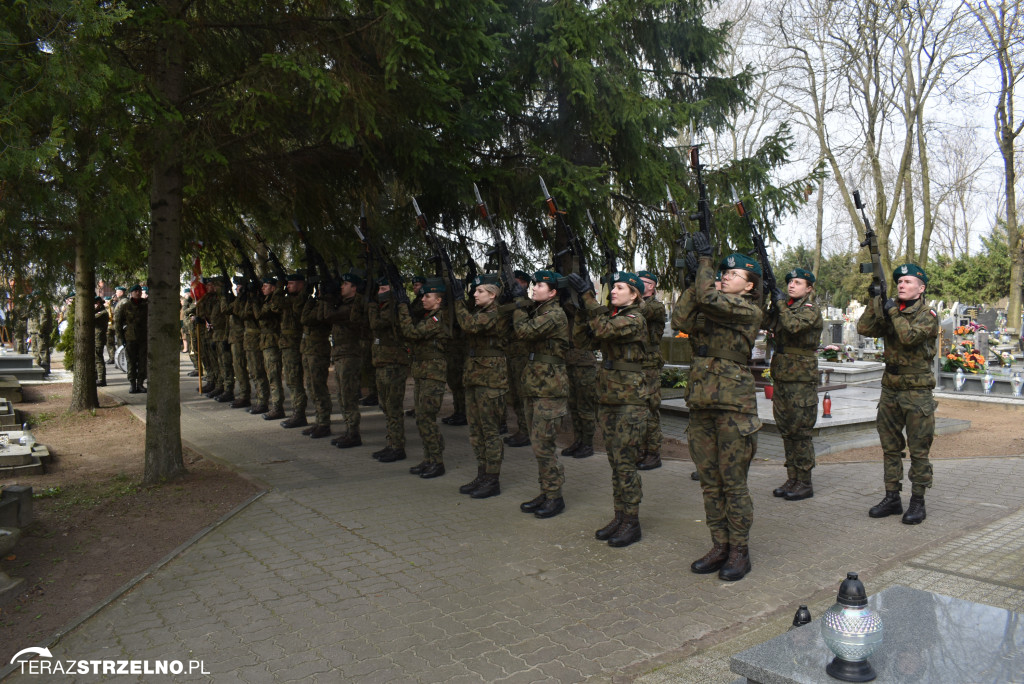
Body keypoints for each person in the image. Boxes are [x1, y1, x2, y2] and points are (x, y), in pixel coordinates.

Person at [673, 246, 763, 581]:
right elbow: (679, 320)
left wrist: (706, 267)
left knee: (733, 484)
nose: (726, 276)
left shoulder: (747, 309)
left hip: (733, 407)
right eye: (722, 272)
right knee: (710, 483)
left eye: (734, 274)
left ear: (749, 285)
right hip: (701, 403)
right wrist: (693, 280)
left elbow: (710, 300)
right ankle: (719, 544)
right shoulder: (711, 302)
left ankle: (740, 550)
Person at [567, 271, 648, 547]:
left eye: (621, 287)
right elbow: (584, 341)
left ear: (634, 295)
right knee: (615, 462)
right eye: (612, 287)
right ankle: (620, 515)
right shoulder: (613, 317)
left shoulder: (635, 319)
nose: (613, 290)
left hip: (628, 400)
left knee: (625, 462)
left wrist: (589, 297)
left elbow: (602, 330)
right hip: (610, 398)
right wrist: (581, 311)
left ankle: (632, 522)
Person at [856, 263, 938, 525]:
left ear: (921, 288)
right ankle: (892, 497)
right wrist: (874, 300)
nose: (901, 285)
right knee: (890, 448)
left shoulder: (928, 315)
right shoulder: (892, 312)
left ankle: (917, 500)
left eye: (908, 282)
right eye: (899, 282)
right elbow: (864, 328)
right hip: (890, 388)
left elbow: (908, 337)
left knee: (918, 450)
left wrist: (891, 310)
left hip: (917, 392)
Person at [512, 270, 570, 518]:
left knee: (544, 444)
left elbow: (524, 332)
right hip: (536, 385)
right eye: (533, 285)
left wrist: (517, 306)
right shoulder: (540, 310)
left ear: (553, 292)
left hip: (549, 387)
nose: (533, 288)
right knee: (538, 444)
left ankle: (555, 497)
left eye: (539, 285)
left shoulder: (554, 314)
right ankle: (546, 491)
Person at [764, 268, 824, 501]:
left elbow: (793, 327)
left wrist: (780, 305)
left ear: (808, 288)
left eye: (798, 283)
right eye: (789, 281)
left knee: (801, 431)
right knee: (786, 429)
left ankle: (805, 481)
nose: (791, 285)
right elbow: (763, 321)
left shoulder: (810, 310)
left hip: (801, 379)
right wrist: (767, 297)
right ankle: (792, 477)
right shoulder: (784, 307)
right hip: (782, 376)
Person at [455, 273, 509, 498]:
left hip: (491, 379)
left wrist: (458, 300)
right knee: (476, 430)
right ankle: (482, 473)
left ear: (493, 294)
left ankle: (492, 479)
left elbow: (469, 325)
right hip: (475, 377)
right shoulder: (480, 311)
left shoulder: (497, 313)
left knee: (490, 431)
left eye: (479, 291)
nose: (474, 295)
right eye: (474, 291)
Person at [397, 277, 451, 478]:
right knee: (421, 418)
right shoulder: (429, 316)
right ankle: (428, 458)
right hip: (423, 372)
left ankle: (437, 461)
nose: (423, 299)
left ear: (438, 300)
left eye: (428, 296)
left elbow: (411, 332)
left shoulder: (438, 319)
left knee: (427, 417)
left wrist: (403, 306)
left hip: (433, 374)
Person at [367, 278, 411, 462]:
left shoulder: (393, 309)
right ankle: (392, 443)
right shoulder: (386, 306)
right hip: (383, 363)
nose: (380, 291)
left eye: (384, 288)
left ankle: (398, 447)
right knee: (386, 405)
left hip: (394, 364)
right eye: (379, 288)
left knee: (393, 406)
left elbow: (376, 324)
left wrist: (370, 304)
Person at [328, 272, 367, 446]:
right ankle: (348, 430)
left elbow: (329, 315)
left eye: (346, 284)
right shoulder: (344, 304)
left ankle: (353, 433)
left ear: (354, 288)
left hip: (350, 354)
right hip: (340, 354)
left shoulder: (355, 306)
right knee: (342, 394)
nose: (342, 286)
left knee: (349, 395)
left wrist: (327, 298)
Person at [637, 270, 666, 470]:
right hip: (635, 362)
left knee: (650, 410)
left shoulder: (656, 306)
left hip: (649, 365)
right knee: (637, 410)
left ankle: (653, 453)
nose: (637, 283)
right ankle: (640, 449)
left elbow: (642, 311)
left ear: (652, 286)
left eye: (641, 282)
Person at [502, 270, 532, 446]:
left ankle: (526, 431)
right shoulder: (514, 300)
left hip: (523, 354)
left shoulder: (527, 302)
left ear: (524, 283)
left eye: (518, 282)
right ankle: (522, 429)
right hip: (511, 353)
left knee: (522, 394)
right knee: (513, 394)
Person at [256, 277, 285, 420]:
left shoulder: (276, 300)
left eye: (265, 286)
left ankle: (277, 408)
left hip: (273, 343)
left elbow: (261, 314)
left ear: (274, 288)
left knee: (274, 376)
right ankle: (275, 406)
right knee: (269, 375)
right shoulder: (268, 300)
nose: (263, 288)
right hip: (266, 342)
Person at [115, 284, 148, 393]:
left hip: (143, 337)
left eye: (139, 291)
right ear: (131, 293)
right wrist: (120, 338)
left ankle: (140, 383)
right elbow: (118, 322)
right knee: (131, 361)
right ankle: (132, 384)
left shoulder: (146, 304)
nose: (138, 293)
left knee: (143, 361)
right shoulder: (125, 305)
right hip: (130, 337)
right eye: (135, 291)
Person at [93, 296, 109, 387]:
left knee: (98, 358)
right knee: (96, 359)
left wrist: (95, 309)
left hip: (98, 339)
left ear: (99, 303)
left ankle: (101, 379)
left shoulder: (102, 313)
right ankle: (96, 377)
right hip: (95, 338)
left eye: (95, 303)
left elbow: (91, 318)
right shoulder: (99, 311)